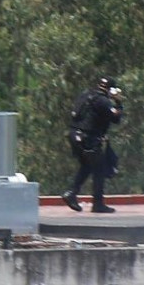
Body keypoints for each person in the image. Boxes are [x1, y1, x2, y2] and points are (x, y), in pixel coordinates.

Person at [61, 76, 123, 213]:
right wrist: (118, 102)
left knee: (87, 166)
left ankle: (71, 193)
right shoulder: (103, 101)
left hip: (74, 135)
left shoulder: (85, 95)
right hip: (88, 138)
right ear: (111, 90)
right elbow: (116, 118)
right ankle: (98, 204)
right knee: (99, 170)